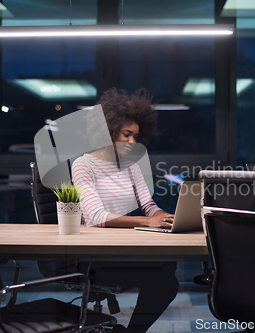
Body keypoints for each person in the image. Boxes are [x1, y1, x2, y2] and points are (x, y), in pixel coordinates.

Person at [71, 88, 179, 333]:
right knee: (165, 279)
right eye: (126, 135)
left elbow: (148, 205)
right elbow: (96, 218)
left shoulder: (131, 165)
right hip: (94, 256)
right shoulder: (83, 165)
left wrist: (162, 216)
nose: (133, 142)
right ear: (108, 132)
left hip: (123, 247)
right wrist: (145, 221)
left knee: (168, 269)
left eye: (136, 136)